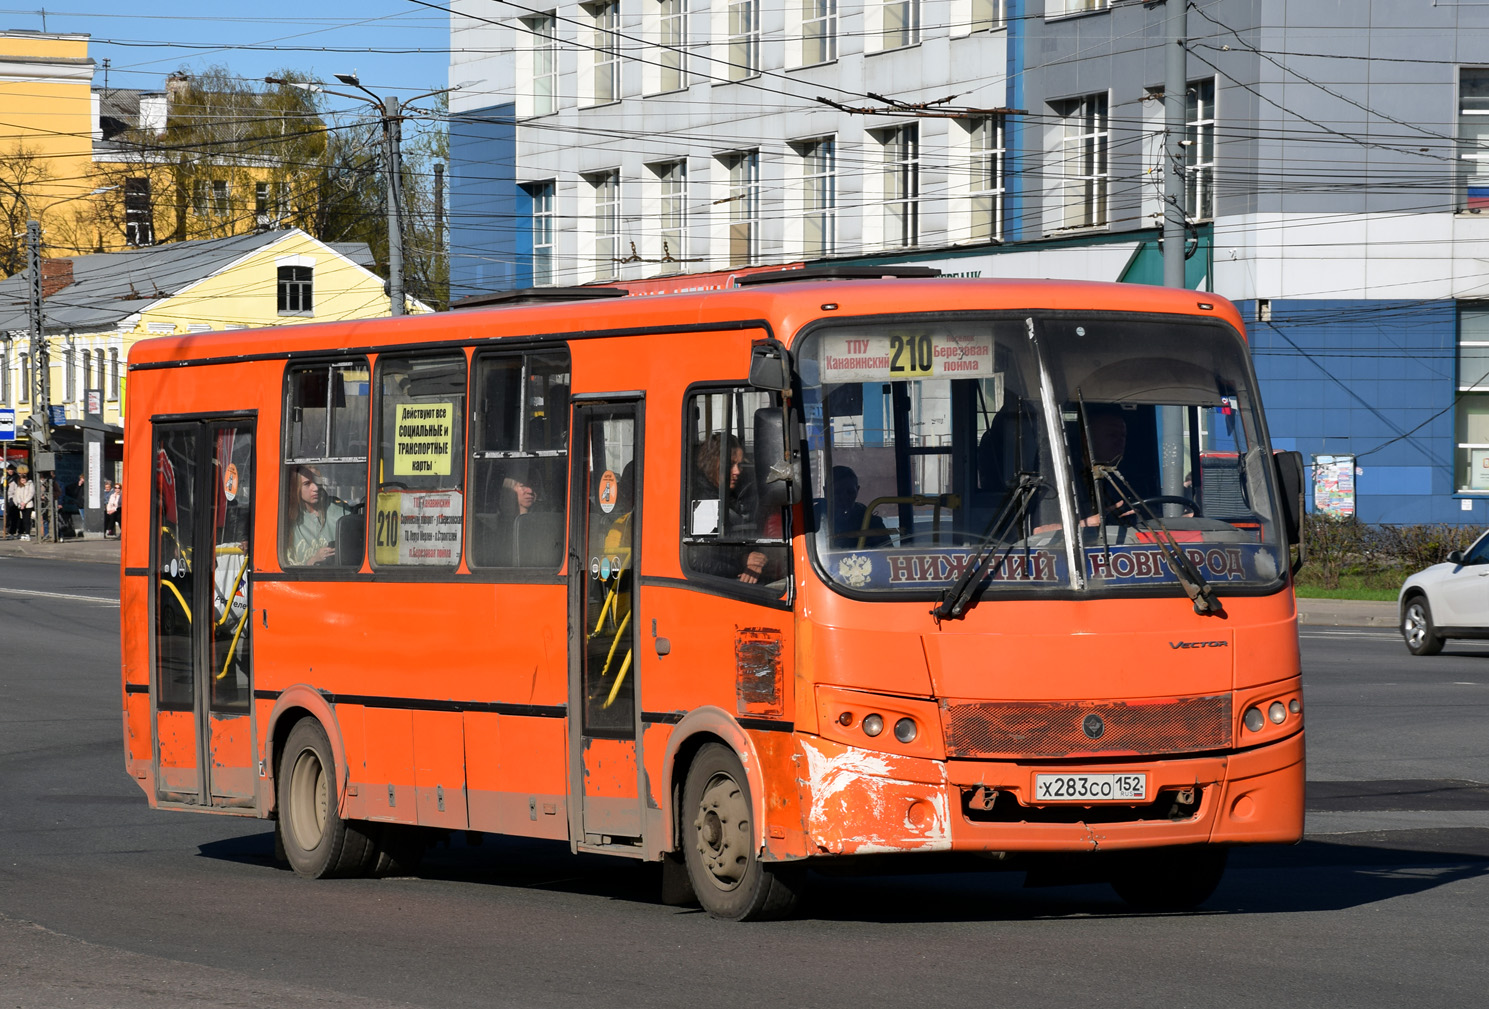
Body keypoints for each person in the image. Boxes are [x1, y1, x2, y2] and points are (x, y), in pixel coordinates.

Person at [690, 433, 769, 583]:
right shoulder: (701, 499)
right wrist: (742, 561)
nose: (737, 472)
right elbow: (696, 560)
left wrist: (758, 559)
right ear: (712, 463)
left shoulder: (738, 494)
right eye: (730, 465)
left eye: (740, 465)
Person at [287, 465, 347, 565]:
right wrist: (313, 560)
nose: (315, 488)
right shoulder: (288, 519)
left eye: (317, 482)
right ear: (296, 488)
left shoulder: (340, 511)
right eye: (307, 484)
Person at [828, 465, 891, 548]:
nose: (844, 498)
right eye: (837, 492)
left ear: (857, 490)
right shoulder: (812, 519)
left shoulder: (871, 521)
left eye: (850, 492)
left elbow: (887, 553)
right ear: (825, 491)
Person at [7, 465, 35, 540]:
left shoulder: (29, 482)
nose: (22, 475)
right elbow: (11, 492)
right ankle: (12, 533)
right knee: (14, 518)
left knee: (24, 519)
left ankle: (21, 532)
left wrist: (24, 502)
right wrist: (11, 499)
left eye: (24, 473)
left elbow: (31, 493)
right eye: (20, 473)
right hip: (15, 502)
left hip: (25, 503)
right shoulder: (14, 481)